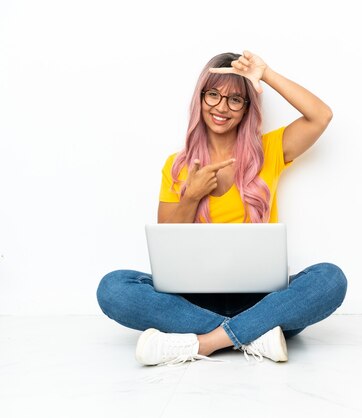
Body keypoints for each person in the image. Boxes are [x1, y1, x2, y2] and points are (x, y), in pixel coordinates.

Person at [96, 50, 347, 366]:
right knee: (113, 288)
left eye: (234, 100)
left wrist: (265, 73)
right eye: (213, 95)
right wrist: (191, 197)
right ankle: (255, 336)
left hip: (262, 299)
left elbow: (320, 115)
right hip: (193, 300)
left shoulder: (269, 150)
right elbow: (166, 244)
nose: (221, 107)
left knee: (330, 279)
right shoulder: (177, 166)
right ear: (200, 98)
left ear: (246, 108)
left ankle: (205, 343)